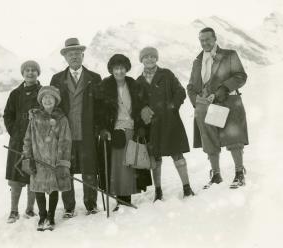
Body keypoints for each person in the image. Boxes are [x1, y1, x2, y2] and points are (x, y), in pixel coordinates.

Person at [187, 27, 248, 189]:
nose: (204, 43)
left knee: (233, 138)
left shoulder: (229, 55)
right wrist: (196, 99)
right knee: (210, 140)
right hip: (205, 107)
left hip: (227, 102)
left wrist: (221, 90)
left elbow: (241, 76)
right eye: (201, 40)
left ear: (215, 39)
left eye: (207, 39)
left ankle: (239, 173)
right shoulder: (197, 61)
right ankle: (216, 175)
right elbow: (191, 85)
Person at [50, 38, 102, 217]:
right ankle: (69, 207)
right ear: (65, 57)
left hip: (87, 132)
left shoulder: (94, 78)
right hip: (65, 134)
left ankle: (91, 205)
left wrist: (100, 128)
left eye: (77, 53)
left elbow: (100, 105)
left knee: (89, 170)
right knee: (66, 170)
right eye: (70, 54)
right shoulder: (56, 79)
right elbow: (52, 107)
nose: (74, 56)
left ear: (83, 55)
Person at [136, 47, 194, 201]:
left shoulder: (166, 74)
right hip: (151, 125)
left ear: (157, 58)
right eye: (146, 57)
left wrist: (172, 106)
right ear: (141, 60)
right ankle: (158, 191)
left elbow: (180, 91)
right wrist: (143, 109)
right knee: (155, 158)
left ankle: (187, 188)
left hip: (170, 122)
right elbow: (137, 103)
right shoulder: (139, 81)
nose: (149, 59)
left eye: (152, 56)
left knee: (177, 154)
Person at [98, 54, 152, 211]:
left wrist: (141, 126)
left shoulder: (134, 85)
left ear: (126, 69)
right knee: (117, 167)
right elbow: (99, 111)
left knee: (130, 165)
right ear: (111, 70)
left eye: (122, 68)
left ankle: (126, 198)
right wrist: (103, 128)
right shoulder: (104, 86)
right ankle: (120, 199)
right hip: (114, 132)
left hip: (132, 129)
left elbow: (142, 106)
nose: (119, 71)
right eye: (116, 68)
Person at [22, 86, 72, 231]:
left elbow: (66, 141)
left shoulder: (61, 119)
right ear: (41, 100)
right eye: (45, 97)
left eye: (51, 97)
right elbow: (28, 138)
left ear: (56, 101)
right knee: (39, 188)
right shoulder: (35, 118)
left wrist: (62, 161)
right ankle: (42, 216)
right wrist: (26, 155)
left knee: (54, 188)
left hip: (54, 161)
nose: (48, 100)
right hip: (38, 161)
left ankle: (51, 216)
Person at [3, 60, 41, 223]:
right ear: (23, 73)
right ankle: (13, 211)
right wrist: (14, 131)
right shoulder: (15, 94)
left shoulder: (42, 92)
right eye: (27, 70)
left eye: (33, 70)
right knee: (16, 176)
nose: (30, 72)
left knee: (32, 174)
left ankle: (30, 209)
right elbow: (8, 115)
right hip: (17, 141)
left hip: (36, 140)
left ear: (38, 73)